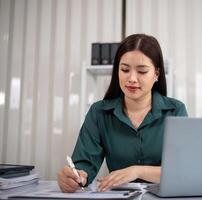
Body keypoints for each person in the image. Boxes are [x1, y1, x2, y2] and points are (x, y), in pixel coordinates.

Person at [57, 34, 188, 193]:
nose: (132, 78)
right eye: (125, 69)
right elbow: (84, 165)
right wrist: (76, 177)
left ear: (156, 74)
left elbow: (181, 169)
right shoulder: (99, 113)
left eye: (142, 71)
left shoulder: (175, 110)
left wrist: (137, 171)